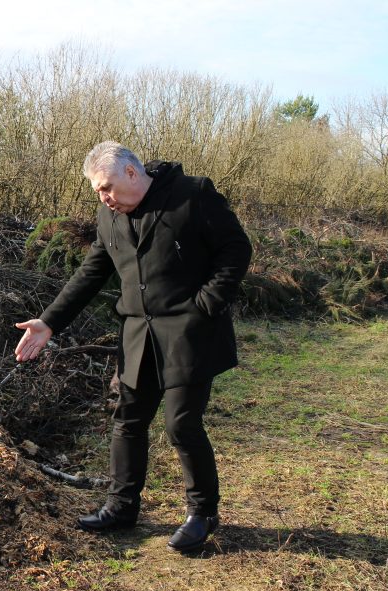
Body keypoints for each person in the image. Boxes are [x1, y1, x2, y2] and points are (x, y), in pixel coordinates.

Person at [14, 141, 252, 553]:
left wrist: (206, 304)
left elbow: (236, 249)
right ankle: (121, 507)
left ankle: (202, 513)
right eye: (97, 192)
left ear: (130, 173)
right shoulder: (109, 217)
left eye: (106, 187)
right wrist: (49, 322)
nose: (104, 197)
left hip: (190, 333)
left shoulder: (192, 196)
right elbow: (91, 273)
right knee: (128, 420)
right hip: (138, 336)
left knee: (182, 424)